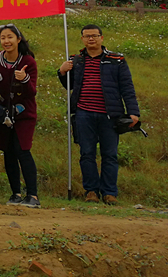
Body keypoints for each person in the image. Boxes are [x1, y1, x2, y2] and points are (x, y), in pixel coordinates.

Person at [58, 24, 139, 205]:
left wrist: (133, 112)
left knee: (110, 154)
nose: (91, 39)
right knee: (87, 153)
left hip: (110, 115)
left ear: (101, 38)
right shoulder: (76, 60)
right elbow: (69, 86)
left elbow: (127, 87)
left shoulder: (116, 59)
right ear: (82, 39)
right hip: (83, 114)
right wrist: (62, 71)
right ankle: (91, 191)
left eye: (94, 35)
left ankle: (109, 193)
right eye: (87, 36)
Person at [0, 24, 40, 208]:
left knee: (22, 149)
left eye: (10, 37)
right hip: (3, 114)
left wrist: (24, 79)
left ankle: (32, 195)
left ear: (18, 39)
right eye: (3, 38)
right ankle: (15, 193)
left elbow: (31, 92)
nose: (6, 41)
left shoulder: (28, 61)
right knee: (8, 150)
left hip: (24, 113)